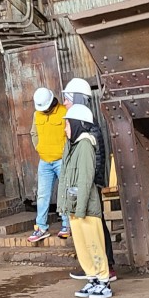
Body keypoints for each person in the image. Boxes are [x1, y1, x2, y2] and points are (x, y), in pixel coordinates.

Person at [61, 78, 117, 283]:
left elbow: (94, 160)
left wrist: (88, 187)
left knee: (96, 227)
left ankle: (105, 267)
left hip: (88, 186)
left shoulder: (86, 126)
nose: (64, 103)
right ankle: (95, 267)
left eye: (67, 98)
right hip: (84, 186)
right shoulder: (78, 123)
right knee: (90, 228)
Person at [28, 87, 70, 242]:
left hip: (61, 160)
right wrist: (39, 148)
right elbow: (33, 133)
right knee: (42, 195)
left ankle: (67, 225)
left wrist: (66, 154)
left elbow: (70, 134)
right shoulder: (36, 114)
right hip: (44, 161)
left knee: (64, 193)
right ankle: (41, 228)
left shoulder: (64, 111)